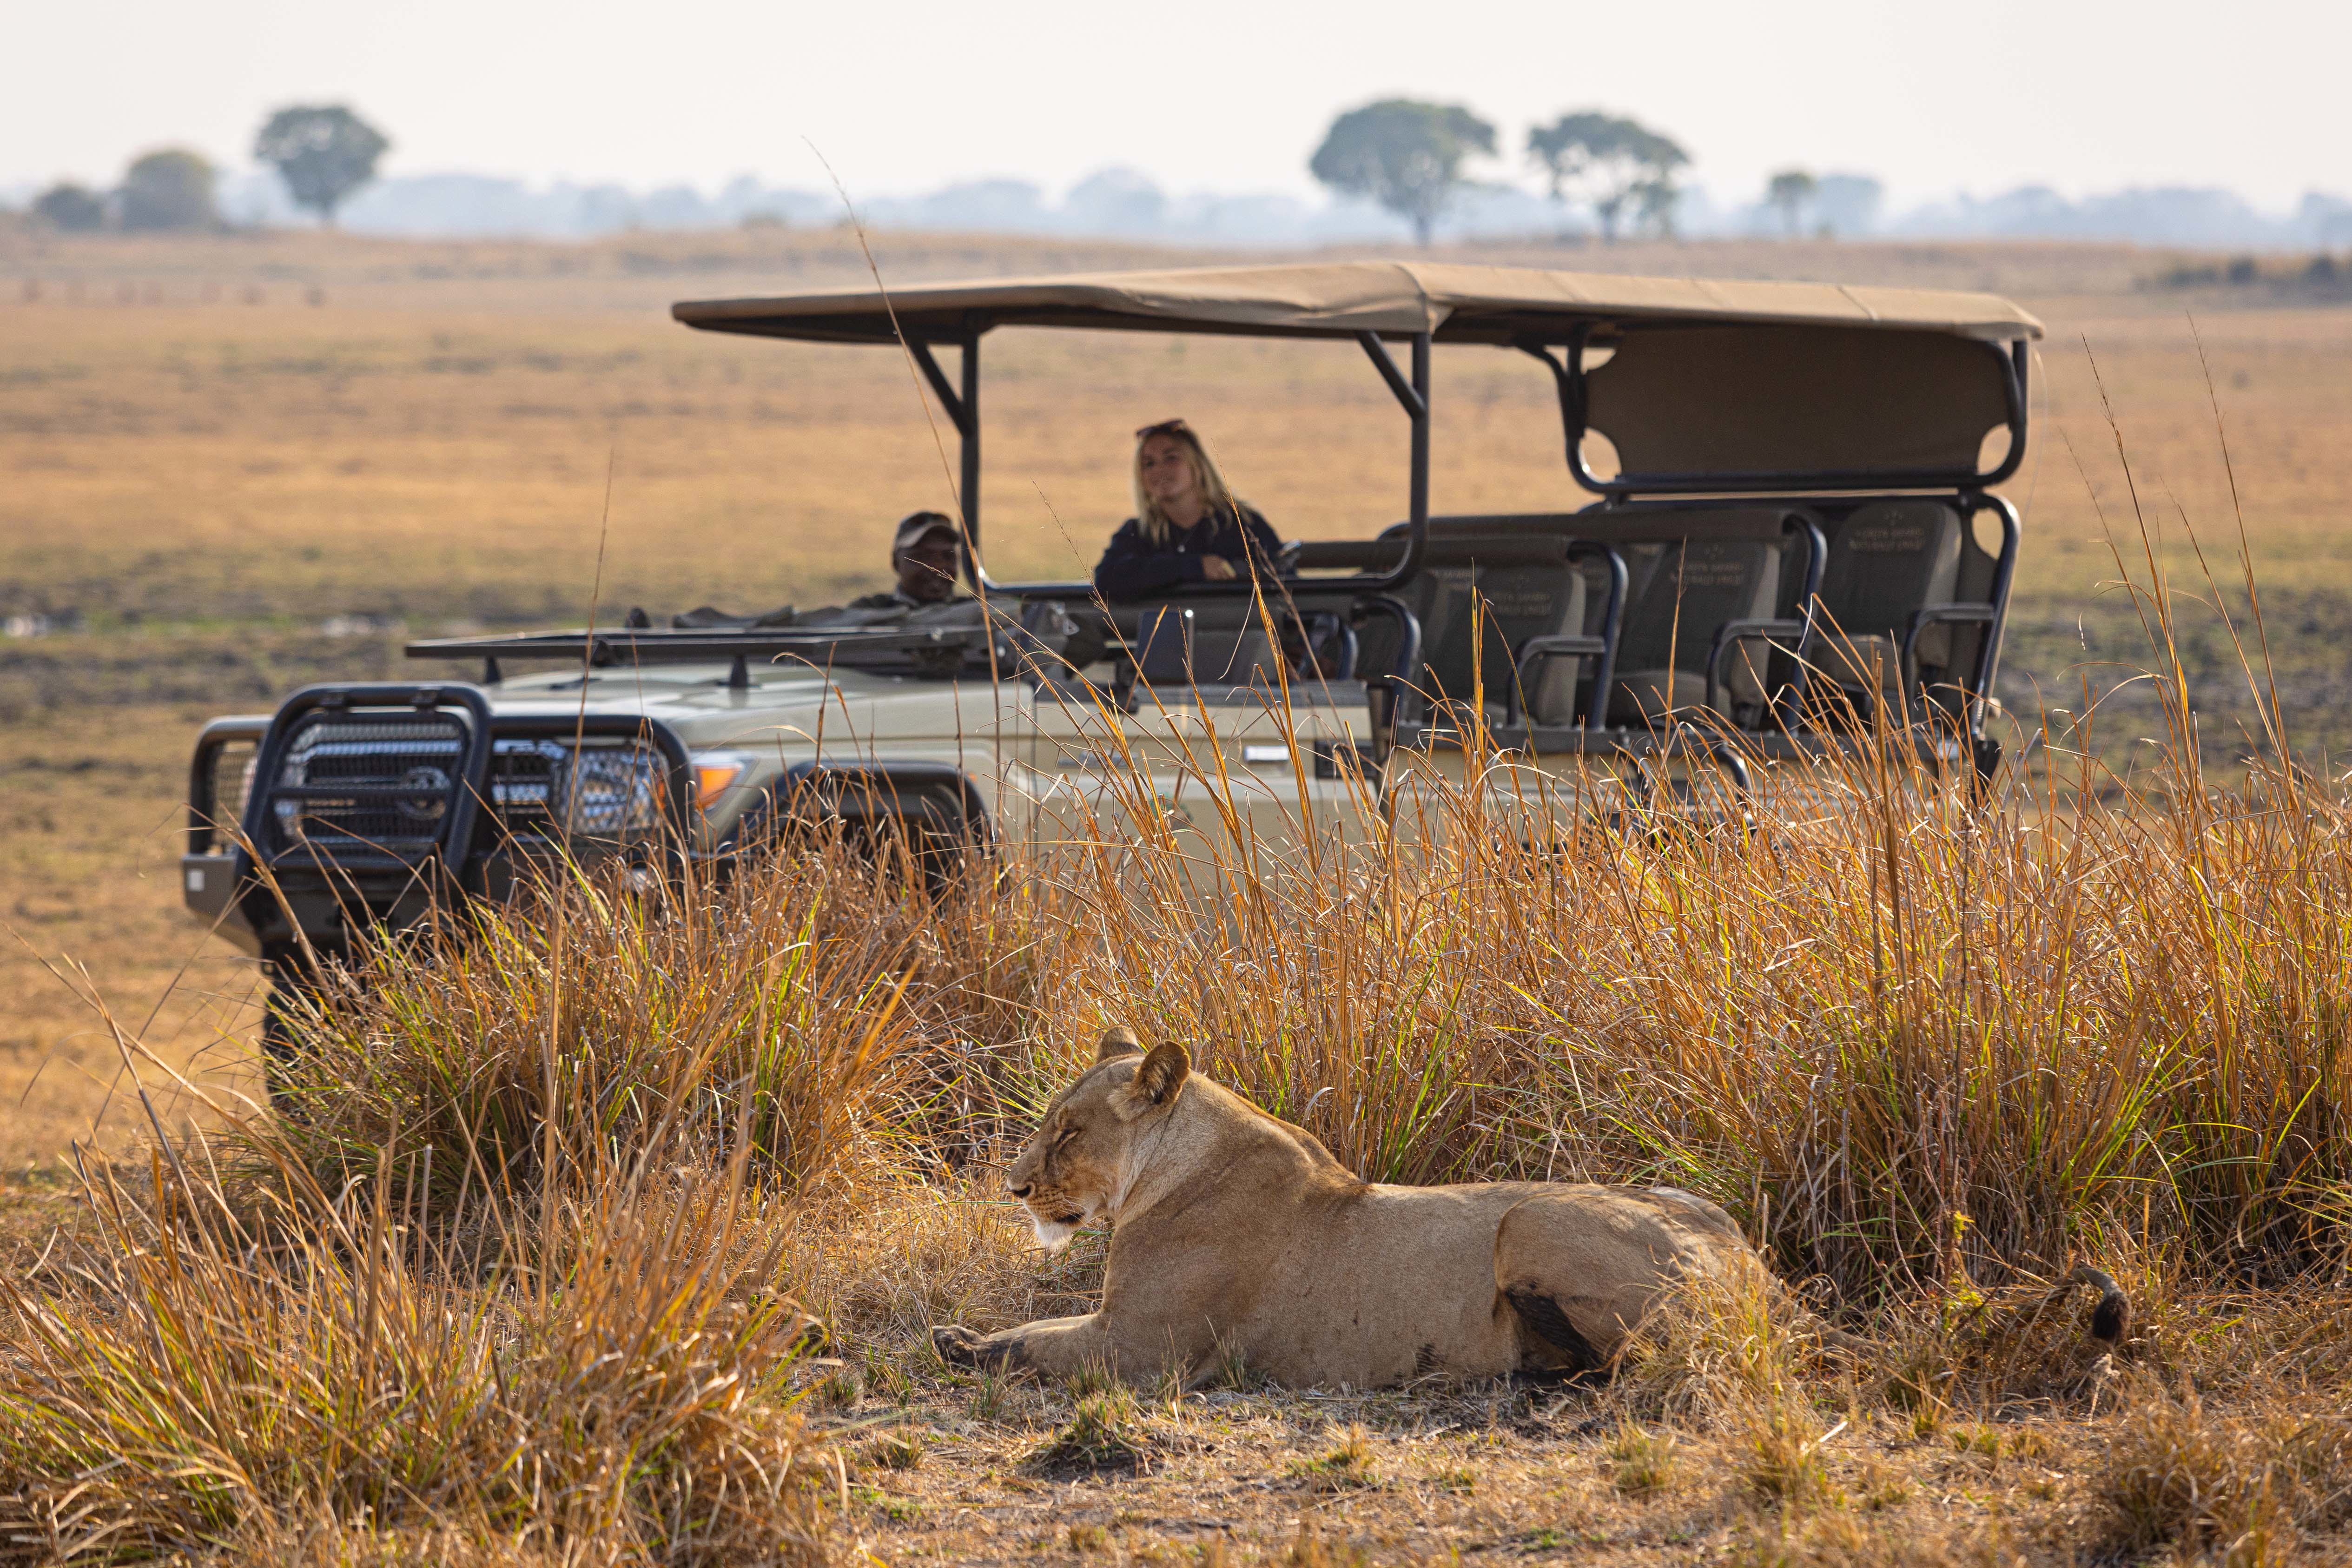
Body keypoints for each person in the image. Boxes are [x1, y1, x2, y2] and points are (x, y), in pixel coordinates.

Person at [1093, 419, 1285, 601]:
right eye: (1149, 464)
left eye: (1171, 458)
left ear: (1198, 466)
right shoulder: (1139, 532)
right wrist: (1194, 566)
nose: (1160, 470)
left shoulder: (1242, 524)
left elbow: (1284, 581)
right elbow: (1106, 580)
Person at [849, 511, 968, 611]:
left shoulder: (977, 612)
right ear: (896, 563)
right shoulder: (868, 612)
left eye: (947, 557)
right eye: (921, 558)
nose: (937, 566)